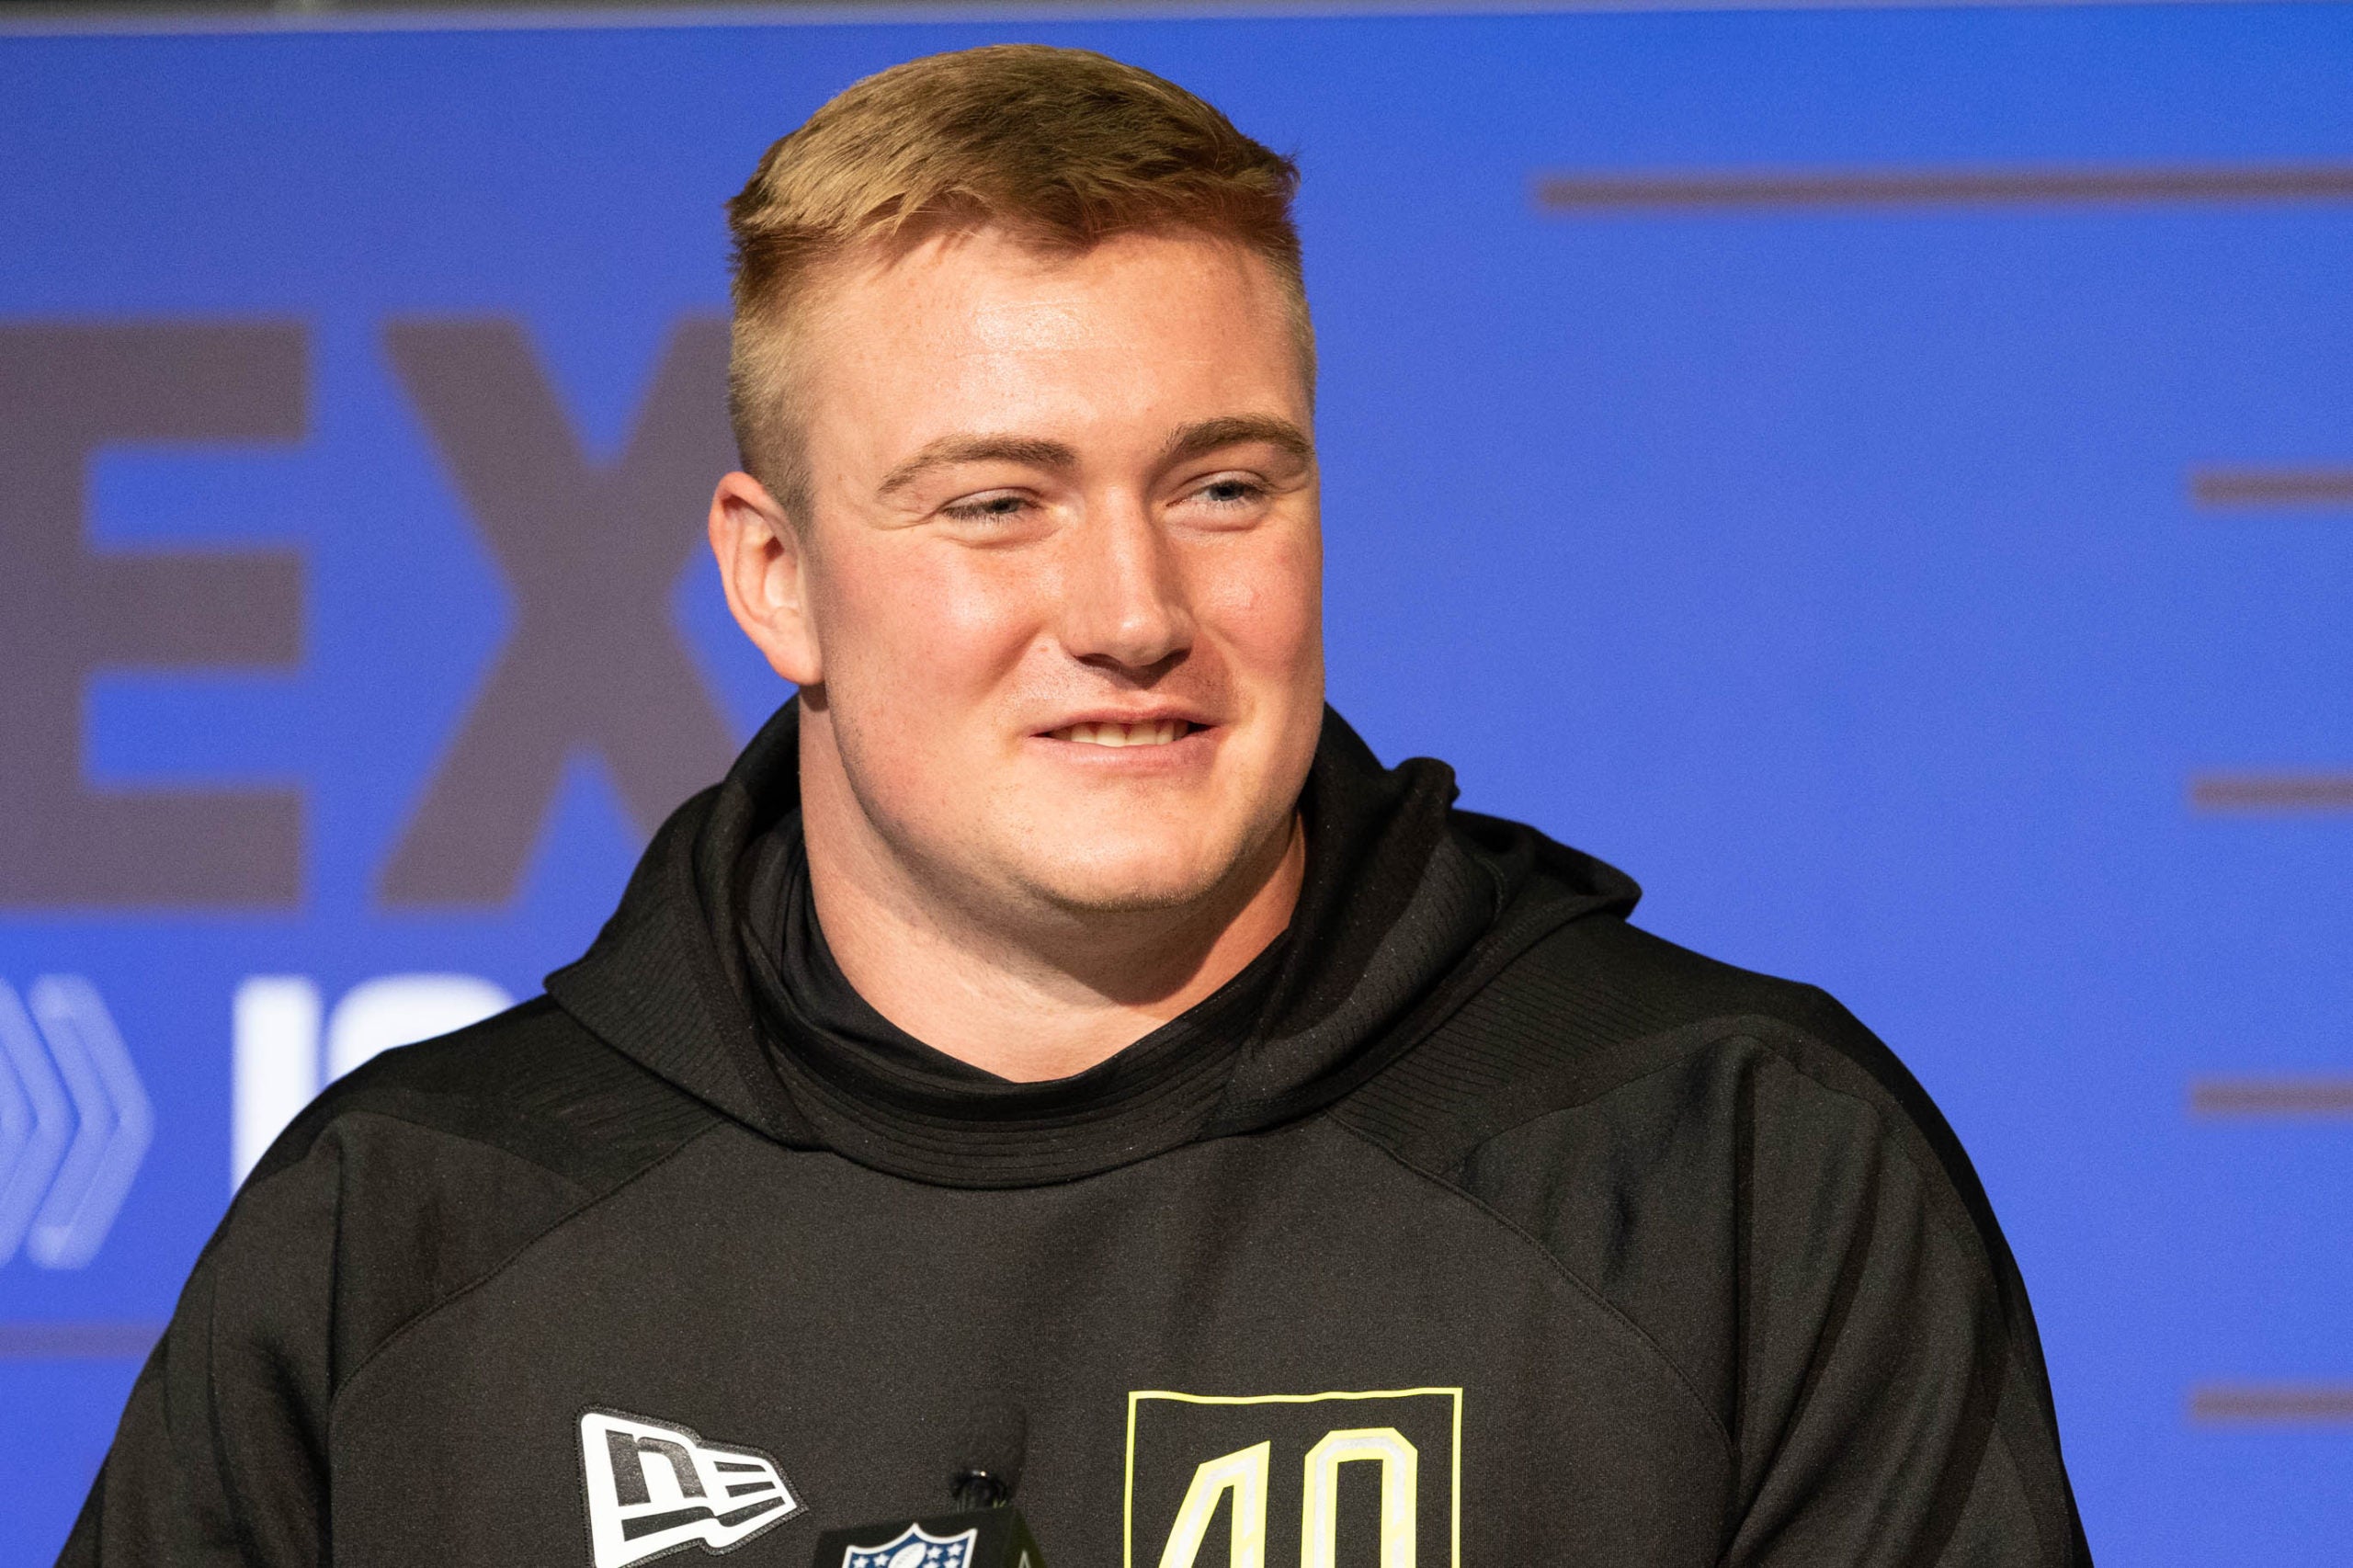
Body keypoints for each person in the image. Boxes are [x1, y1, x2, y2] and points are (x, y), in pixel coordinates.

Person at [62, 44, 2089, 1568]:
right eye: (994, 503)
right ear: (776, 577)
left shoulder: (1734, 1177)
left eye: (1223, 485)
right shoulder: (404, 1234)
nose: (1131, 612)